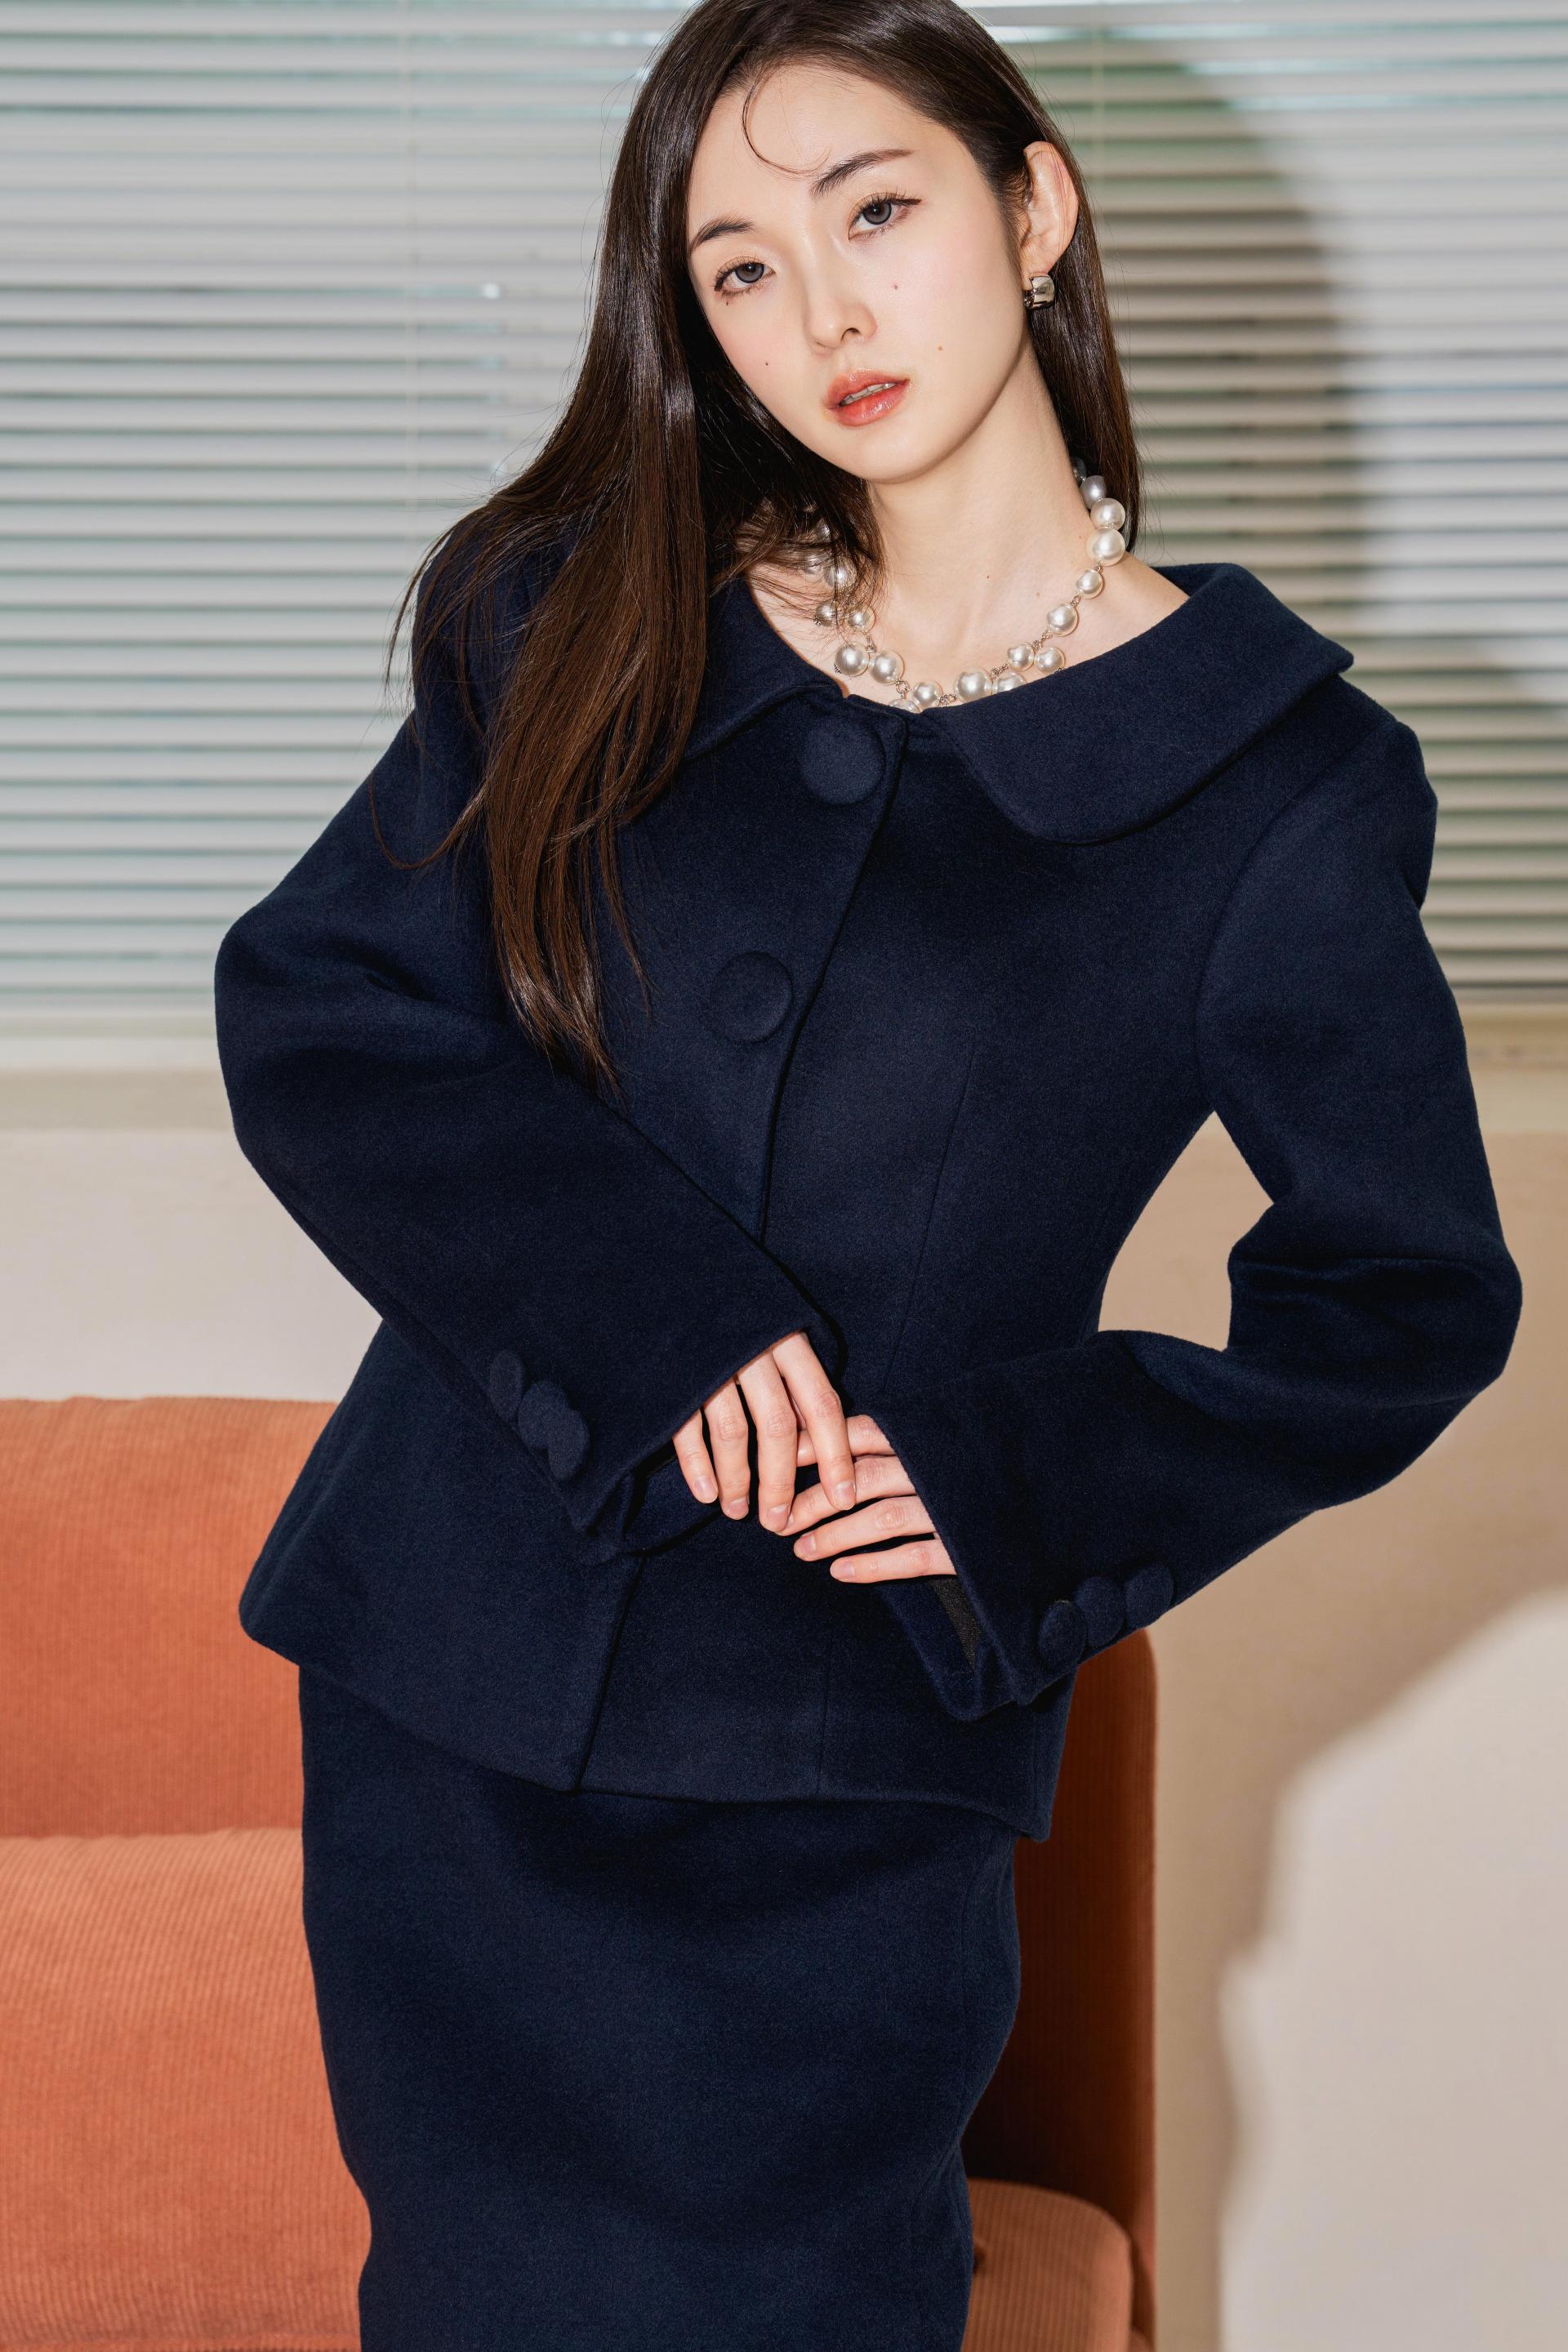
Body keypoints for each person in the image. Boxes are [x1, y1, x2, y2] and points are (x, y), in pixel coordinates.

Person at [211, 3, 1523, 2345]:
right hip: (443, 1695)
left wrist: (1004, 1481)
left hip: (839, 1769)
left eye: (875, 211)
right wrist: (664, 1326)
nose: (819, 311)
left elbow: (1402, 1291)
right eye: (736, 267)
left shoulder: (1276, 786)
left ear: (1035, 208)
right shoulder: (582, 616)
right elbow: (326, 1011)